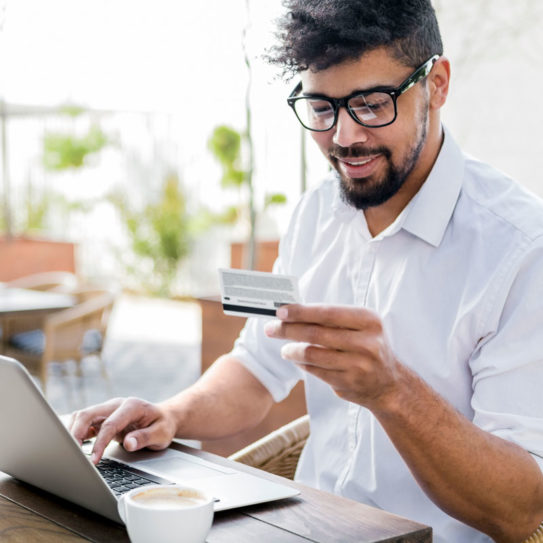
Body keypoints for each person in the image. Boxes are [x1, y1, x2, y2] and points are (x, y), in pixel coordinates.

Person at [70, 1, 543, 541]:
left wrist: (393, 391)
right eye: (321, 107)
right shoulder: (316, 214)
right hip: (307, 529)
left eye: (370, 104)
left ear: (436, 84)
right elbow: (256, 368)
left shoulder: (522, 250)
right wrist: (170, 415)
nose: (343, 137)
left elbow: (520, 508)